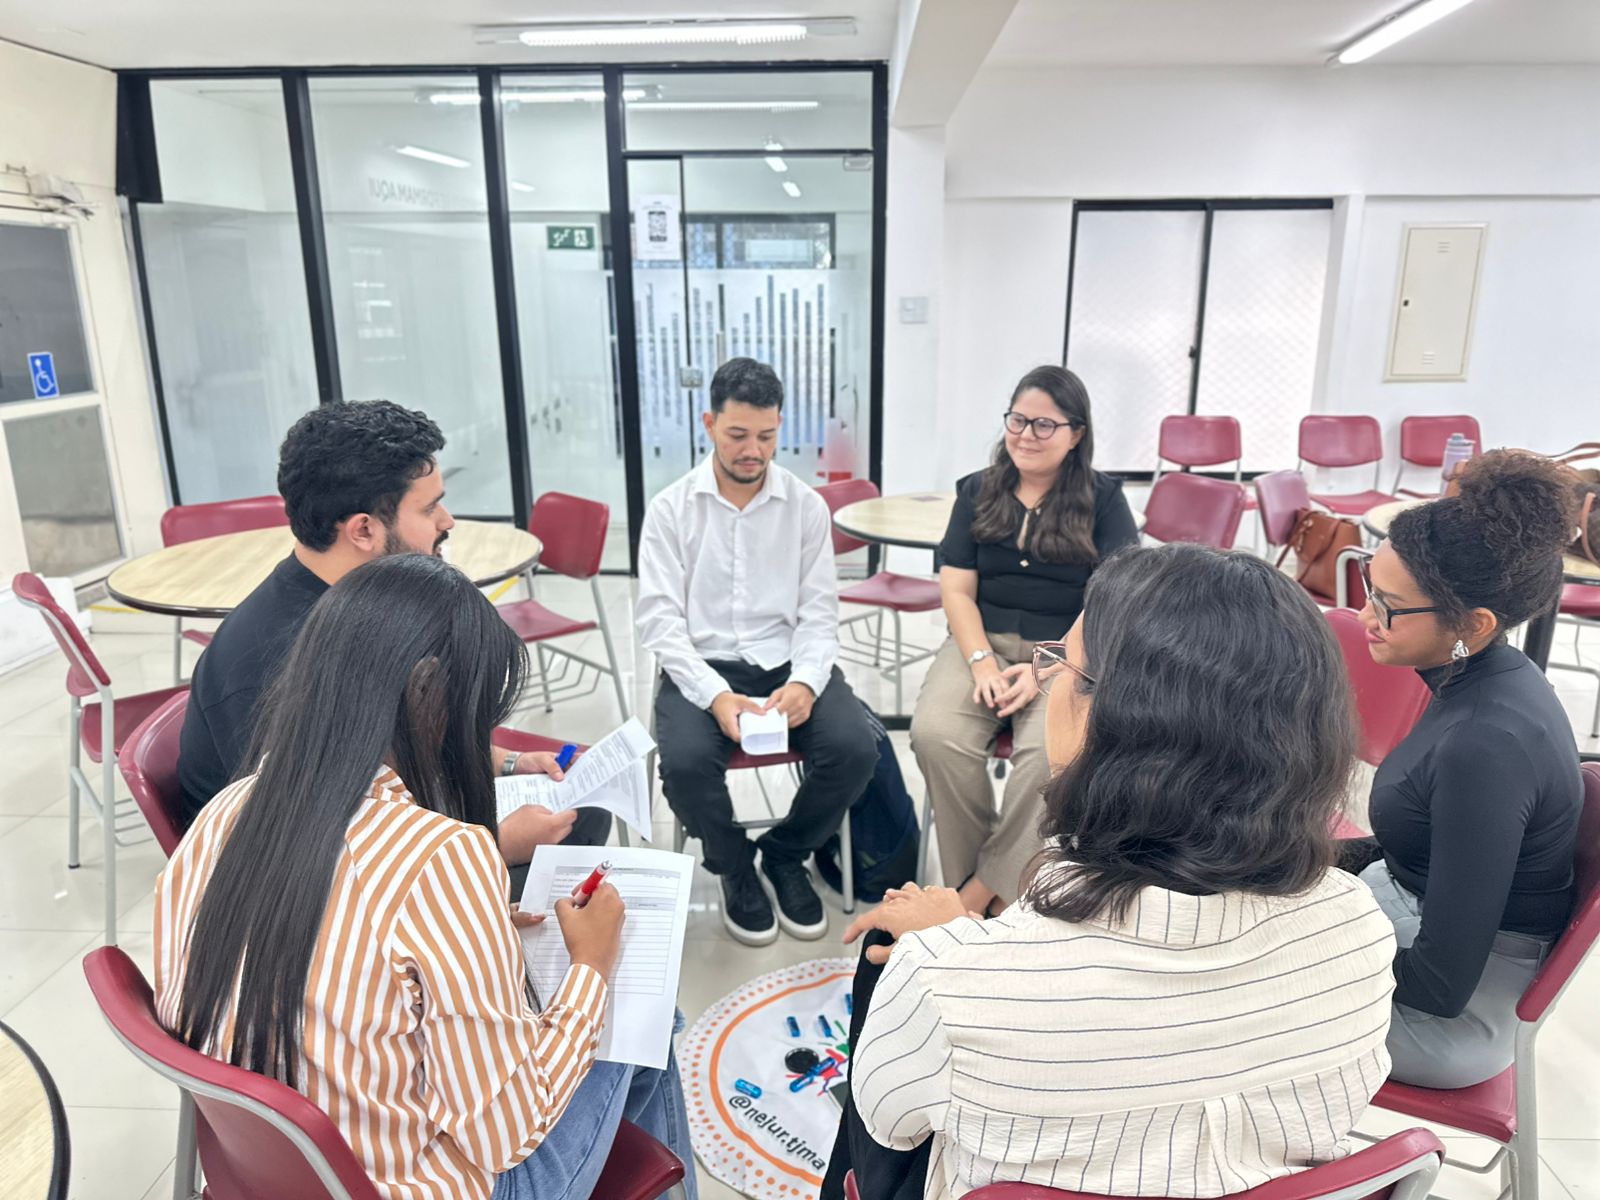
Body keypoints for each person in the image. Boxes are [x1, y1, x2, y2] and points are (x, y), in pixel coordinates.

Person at [828, 544, 1395, 1200]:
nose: (1048, 682)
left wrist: (945, 946)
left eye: (1060, 664)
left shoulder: (949, 984)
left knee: (883, 961)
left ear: (1110, 714)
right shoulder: (1360, 930)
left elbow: (889, 1126)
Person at [154, 554, 696, 1200]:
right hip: (413, 1183)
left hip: (267, 1175)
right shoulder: (442, 855)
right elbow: (506, 1133)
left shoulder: (224, 814)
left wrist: (475, 933)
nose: (475, 734)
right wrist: (592, 966)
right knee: (649, 1014)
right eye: (476, 713)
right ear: (426, 690)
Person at [176, 400, 606, 875]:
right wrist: (496, 845)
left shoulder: (368, 606)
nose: (447, 522)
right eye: (429, 507)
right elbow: (320, 861)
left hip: (386, 821)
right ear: (364, 530)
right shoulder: (278, 669)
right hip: (308, 892)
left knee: (581, 814)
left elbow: (405, 738)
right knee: (574, 842)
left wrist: (509, 763)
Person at [1353, 450, 1583, 1089]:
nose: (1367, 617)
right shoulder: (1480, 677)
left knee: (1212, 999)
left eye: (1390, 607)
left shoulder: (1486, 742)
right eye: (1370, 591)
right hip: (1413, 916)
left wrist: (1307, 951)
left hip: (1454, 1016)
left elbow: (1440, 984)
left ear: (1473, 625)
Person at [636, 357, 878, 946]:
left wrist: (805, 683)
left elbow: (820, 612)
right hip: (703, 667)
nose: (753, 450)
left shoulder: (805, 507)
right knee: (689, 768)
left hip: (786, 662)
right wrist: (715, 696)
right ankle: (735, 867)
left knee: (856, 749)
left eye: (767, 436)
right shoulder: (671, 510)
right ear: (708, 423)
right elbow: (661, 624)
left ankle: (785, 854)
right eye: (737, 435)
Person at [911, 365, 1137, 915]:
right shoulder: (977, 490)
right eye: (1017, 420)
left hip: (1066, 654)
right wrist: (983, 662)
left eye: (1044, 425)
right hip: (979, 644)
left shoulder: (1103, 500)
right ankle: (986, 897)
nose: (1026, 435)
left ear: (1075, 434)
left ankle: (974, 896)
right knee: (936, 735)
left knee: (1047, 757)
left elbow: (1112, 600)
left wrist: (1046, 668)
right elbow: (958, 591)